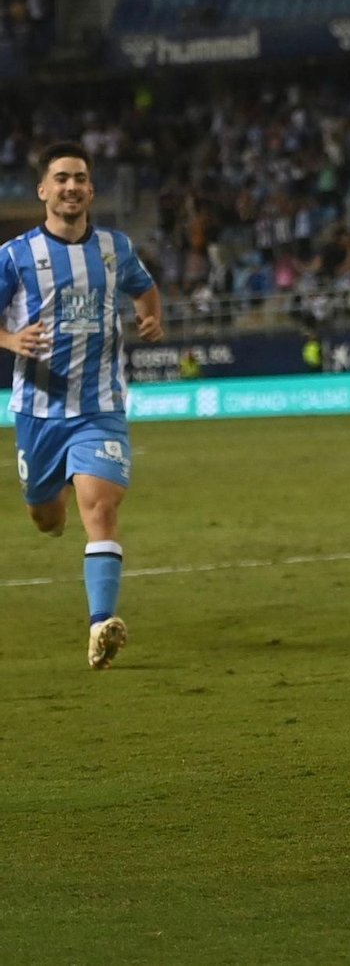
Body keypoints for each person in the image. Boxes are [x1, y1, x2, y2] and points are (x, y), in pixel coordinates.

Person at [0, 141, 163, 668]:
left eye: (80, 178)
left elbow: (146, 289)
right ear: (44, 190)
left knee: (102, 507)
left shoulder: (116, 248)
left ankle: (101, 626)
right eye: (61, 178)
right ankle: (55, 493)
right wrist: (10, 340)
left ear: (91, 190)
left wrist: (150, 316)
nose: (71, 186)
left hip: (100, 408)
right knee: (46, 518)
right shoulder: (15, 256)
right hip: (38, 413)